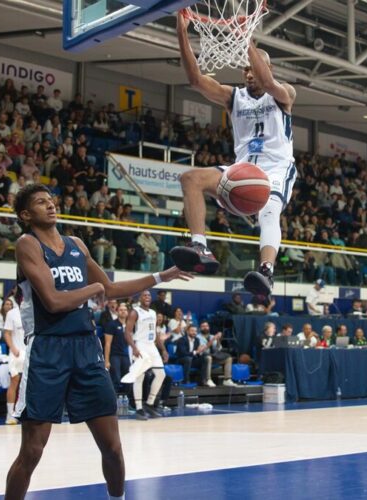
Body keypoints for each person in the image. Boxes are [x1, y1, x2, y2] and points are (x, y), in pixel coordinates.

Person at [5, 184, 191, 500]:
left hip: (86, 350)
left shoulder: (76, 244)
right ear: (26, 214)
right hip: (48, 350)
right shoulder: (27, 244)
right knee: (33, 450)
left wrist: (163, 276)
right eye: (40, 202)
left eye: (52, 200)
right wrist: (93, 291)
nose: (50, 205)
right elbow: (52, 300)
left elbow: (110, 288)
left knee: (113, 447)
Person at [172, 12, 297, 297]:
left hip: (275, 169)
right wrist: (182, 33)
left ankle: (266, 271)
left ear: (268, 67)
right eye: (246, 70)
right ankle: (200, 246)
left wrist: (246, 41)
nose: (250, 74)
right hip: (241, 170)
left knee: (269, 211)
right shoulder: (234, 97)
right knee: (191, 178)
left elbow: (267, 83)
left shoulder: (282, 94)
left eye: (255, 68)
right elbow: (194, 80)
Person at [123, 290, 169, 420]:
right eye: (144, 295)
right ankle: (139, 408)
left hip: (151, 346)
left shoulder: (153, 313)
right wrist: (134, 347)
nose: (147, 297)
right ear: (140, 298)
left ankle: (149, 404)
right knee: (139, 377)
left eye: (149, 295)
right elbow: (127, 332)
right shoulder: (134, 312)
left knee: (161, 374)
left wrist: (164, 349)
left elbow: (155, 333)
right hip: (140, 344)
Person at [2, 298, 25, 425]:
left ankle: (25, 412)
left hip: (30, 352)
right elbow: (7, 333)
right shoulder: (12, 313)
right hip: (16, 352)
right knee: (14, 381)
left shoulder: (34, 311)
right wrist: (13, 348)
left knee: (31, 383)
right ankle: (10, 414)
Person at [103, 302, 130, 394]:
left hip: (126, 355)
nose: (123, 311)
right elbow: (107, 343)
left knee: (128, 379)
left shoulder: (130, 326)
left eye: (125, 310)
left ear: (128, 312)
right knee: (116, 379)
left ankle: (127, 401)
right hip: (115, 355)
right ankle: (113, 403)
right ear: (117, 311)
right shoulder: (111, 324)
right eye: (121, 310)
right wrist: (106, 360)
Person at [199, 320, 236, 387]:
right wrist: (213, 339)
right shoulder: (198, 337)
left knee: (228, 358)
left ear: (209, 327)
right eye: (203, 326)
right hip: (202, 357)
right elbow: (203, 349)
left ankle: (227, 379)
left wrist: (218, 340)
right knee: (208, 357)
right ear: (200, 328)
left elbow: (218, 349)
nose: (205, 327)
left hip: (214, 355)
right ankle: (208, 379)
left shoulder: (212, 336)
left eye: (206, 326)